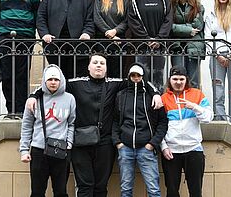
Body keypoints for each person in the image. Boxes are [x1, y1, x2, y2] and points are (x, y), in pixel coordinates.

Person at [26, 53, 162, 197]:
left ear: (106, 68)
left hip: (105, 143)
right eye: (95, 62)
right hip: (81, 143)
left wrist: (155, 93)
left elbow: (138, 80)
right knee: (85, 186)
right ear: (89, 67)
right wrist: (33, 95)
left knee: (100, 186)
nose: (98, 65)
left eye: (102, 63)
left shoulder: (114, 83)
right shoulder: (77, 83)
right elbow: (54, 84)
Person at [0, 0, 40, 117]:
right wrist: (3, 29)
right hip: (5, 37)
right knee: (6, 74)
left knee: (22, 74)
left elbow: (36, 14)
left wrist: (28, 31)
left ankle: (21, 110)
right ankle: (10, 110)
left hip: (25, 37)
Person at [20, 64, 76, 197]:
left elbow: (71, 123)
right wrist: (24, 150)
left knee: (61, 192)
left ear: (61, 81)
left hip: (61, 150)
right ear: (45, 81)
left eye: (56, 80)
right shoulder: (34, 100)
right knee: (37, 192)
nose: (53, 82)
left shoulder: (69, 99)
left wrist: (69, 143)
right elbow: (27, 126)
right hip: (39, 151)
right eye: (50, 79)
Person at [112, 63, 167, 197]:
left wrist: (153, 143)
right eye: (133, 75)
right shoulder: (121, 95)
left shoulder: (152, 96)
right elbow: (115, 120)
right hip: (125, 148)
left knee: (153, 189)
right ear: (129, 76)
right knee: (126, 189)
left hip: (146, 148)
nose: (135, 78)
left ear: (143, 77)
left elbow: (162, 122)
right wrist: (117, 142)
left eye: (138, 75)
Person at [160, 65, 213, 197]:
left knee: (195, 191)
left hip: (194, 149)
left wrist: (194, 107)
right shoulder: (163, 98)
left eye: (181, 79)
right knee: (172, 192)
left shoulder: (197, 94)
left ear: (186, 79)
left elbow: (208, 118)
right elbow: (158, 126)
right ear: (170, 80)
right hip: (171, 151)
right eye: (175, 79)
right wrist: (164, 147)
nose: (178, 82)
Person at [37, 0, 93, 79]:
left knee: (75, 79)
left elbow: (90, 20)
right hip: (54, 44)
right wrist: (45, 34)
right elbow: (41, 17)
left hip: (78, 45)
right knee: (57, 77)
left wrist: (86, 33)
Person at [128, 0, 171, 92]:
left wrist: (158, 39)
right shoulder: (134, 1)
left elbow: (168, 21)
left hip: (159, 48)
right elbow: (133, 23)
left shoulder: (165, 1)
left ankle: (157, 106)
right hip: (141, 47)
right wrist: (147, 39)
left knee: (158, 80)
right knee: (141, 77)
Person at [170, 0, 205, 88]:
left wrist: (179, 28)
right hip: (177, 46)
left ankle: (194, 105)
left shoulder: (198, 6)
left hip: (194, 46)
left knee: (193, 81)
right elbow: (169, 26)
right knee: (177, 80)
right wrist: (189, 30)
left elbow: (198, 25)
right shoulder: (170, 6)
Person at [94, 0, 128, 78]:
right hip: (102, 41)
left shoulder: (124, 0)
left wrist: (115, 31)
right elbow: (97, 18)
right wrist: (110, 34)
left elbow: (126, 21)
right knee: (102, 72)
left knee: (117, 73)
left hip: (119, 42)